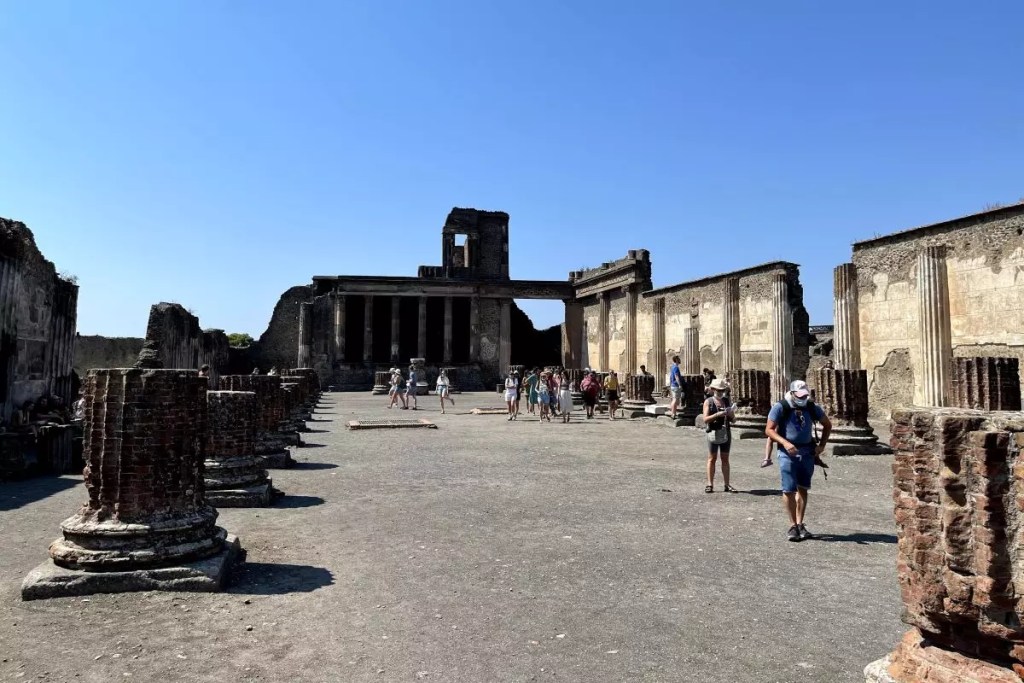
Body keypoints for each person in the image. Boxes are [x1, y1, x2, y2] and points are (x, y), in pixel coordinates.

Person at [766, 380, 832, 542]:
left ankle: (800, 523)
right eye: (800, 395)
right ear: (793, 393)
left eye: (805, 395)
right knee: (788, 489)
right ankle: (792, 525)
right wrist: (785, 443)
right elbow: (768, 430)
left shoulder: (811, 407)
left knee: (803, 488)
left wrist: (822, 445)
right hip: (787, 453)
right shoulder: (781, 406)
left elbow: (827, 424)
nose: (803, 398)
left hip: (807, 451)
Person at [702, 378, 736, 493]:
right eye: (718, 389)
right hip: (713, 431)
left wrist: (731, 414)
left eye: (722, 390)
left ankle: (727, 484)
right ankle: (710, 484)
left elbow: (734, 420)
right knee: (712, 458)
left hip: (725, 431)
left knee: (725, 458)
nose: (720, 392)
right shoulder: (709, 401)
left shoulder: (726, 401)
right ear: (713, 389)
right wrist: (717, 414)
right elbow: (705, 419)